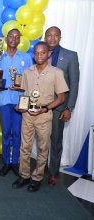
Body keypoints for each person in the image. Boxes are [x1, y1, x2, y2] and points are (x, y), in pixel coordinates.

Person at [12, 41, 69, 192]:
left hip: (44, 116)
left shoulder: (56, 73)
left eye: (43, 52)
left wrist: (45, 108)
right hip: (28, 116)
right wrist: (20, 106)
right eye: (36, 53)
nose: (39, 56)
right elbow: (24, 95)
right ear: (33, 54)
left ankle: (37, 178)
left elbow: (61, 98)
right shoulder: (27, 72)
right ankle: (24, 176)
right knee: (25, 147)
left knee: (43, 148)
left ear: (49, 53)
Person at [44, 26, 80, 186]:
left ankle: (53, 172)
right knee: (42, 139)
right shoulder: (39, 53)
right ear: (45, 37)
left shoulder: (70, 56)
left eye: (55, 35)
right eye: (49, 35)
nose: (52, 38)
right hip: (41, 106)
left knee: (56, 140)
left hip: (59, 107)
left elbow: (74, 83)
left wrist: (69, 108)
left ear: (60, 37)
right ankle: (43, 165)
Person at [0, 29, 33, 177]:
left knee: (17, 133)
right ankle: (6, 162)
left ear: (19, 40)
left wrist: (21, 86)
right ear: (6, 39)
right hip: (4, 99)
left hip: (20, 101)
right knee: (6, 132)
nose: (13, 39)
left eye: (17, 37)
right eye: (11, 36)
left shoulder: (26, 57)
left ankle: (16, 162)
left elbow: (30, 80)